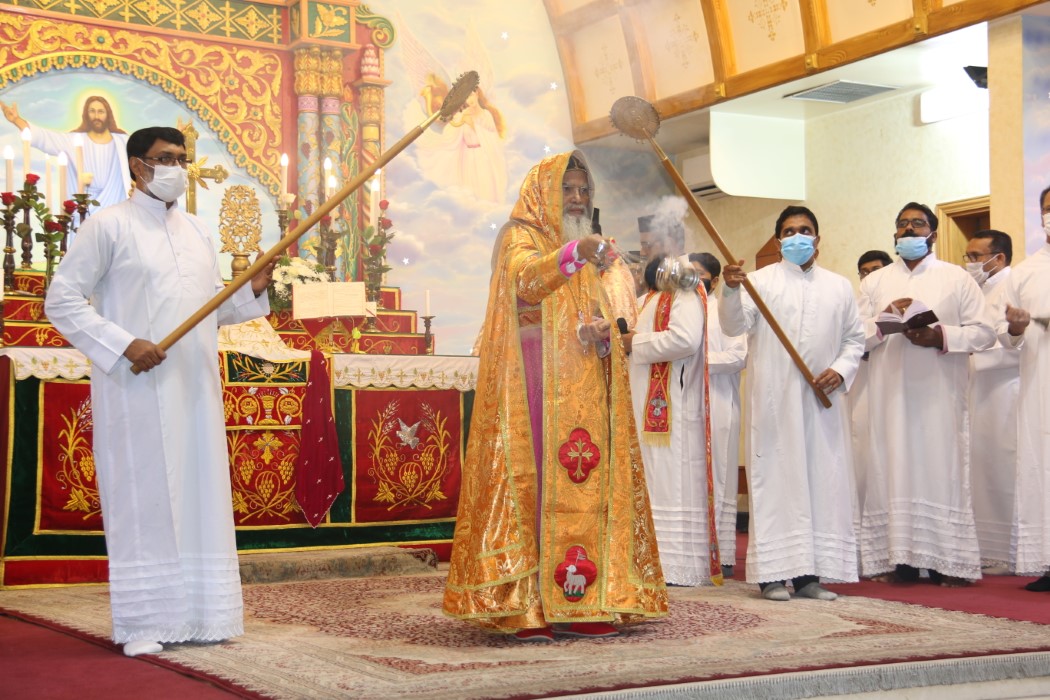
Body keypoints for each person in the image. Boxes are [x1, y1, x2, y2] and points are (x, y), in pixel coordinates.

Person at [43, 126, 274, 657]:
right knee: (144, 497)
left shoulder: (196, 230)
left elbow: (208, 309)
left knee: (199, 495)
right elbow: (63, 300)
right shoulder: (107, 226)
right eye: (165, 158)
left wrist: (252, 290)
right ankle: (144, 622)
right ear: (137, 165)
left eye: (181, 158)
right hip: (138, 388)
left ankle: (205, 615)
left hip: (194, 385)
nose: (176, 168)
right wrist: (124, 343)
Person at [443, 151, 667, 640]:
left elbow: (594, 313)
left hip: (581, 385)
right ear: (544, 191)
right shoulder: (520, 236)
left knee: (584, 490)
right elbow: (527, 281)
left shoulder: (585, 252)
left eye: (584, 190)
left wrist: (600, 331)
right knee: (536, 490)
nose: (578, 198)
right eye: (568, 189)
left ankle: (582, 600)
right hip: (531, 383)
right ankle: (525, 606)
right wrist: (575, 254)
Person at [720, 205, 863, 601]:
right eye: (788, 231)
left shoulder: (839, 286)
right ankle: (771, 576)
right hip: (775, 403)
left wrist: (841, 370)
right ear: (778, 239)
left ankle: (808, 577)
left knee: (820, 483)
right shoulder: (758, 281)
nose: (797, 236)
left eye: (804, 229)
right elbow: (733, 326)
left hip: (821, 403)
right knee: (777, 482)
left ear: (818, 238)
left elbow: (854, 339)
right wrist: (729, 290)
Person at [857, 202, 995, 587]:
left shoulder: (956, 278)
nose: (909, 229)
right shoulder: (874, 282)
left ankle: (944, 561)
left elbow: (985, 332)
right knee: (892, 467)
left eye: (917, 224)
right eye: (902, 224)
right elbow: (852, 336)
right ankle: (898, 559)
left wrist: (940, 336)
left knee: (940, 468)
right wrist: (883, 322)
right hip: (890, 395)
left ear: (933, 234)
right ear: (894, 234)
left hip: (939, 394)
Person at [621, 257, 717, 586]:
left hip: (671, 409)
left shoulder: (684, 294)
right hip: (641, 406)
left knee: (670, 484)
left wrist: (634, 342)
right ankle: (648, 561)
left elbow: (684, 340)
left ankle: (675, 565)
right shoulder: (646, 300)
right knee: (649, 482)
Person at [998, 186, 1050, 592]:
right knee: (1042, 469)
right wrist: (1015, 327)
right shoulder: (1025, 272)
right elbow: (1006, 334)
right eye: (1048, 209)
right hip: (1039, 386)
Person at [964, 230, 1018, 573]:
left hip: (1006, 388)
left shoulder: (1013, 285)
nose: (969, 263)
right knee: (981, 466)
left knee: (1004, 465)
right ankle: (986, 548)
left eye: (975, 257)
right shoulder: (979, 289)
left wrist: (971, 351)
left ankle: (1009, 551)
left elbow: (1017, 341)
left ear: (998, 258)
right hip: (978, 389)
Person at [689, 252, 746, 578]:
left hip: (720, 402)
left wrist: (696, 361)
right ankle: (692, 550)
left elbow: (738, 356)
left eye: (699, 274)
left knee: (720, 473)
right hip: (687, 404)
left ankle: (721, 552)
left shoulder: (724, 309)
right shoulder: (679, 310)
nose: (693, 281)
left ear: (713, 280)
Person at [2, 95, 131, 208]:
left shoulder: (123, 142)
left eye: (101, 111)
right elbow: (44, 137)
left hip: (116, 205)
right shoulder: (74, 141)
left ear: (108, 114)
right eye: (92, 111)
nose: (96, 116)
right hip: (84, 209)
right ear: (86, 114)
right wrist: (16, 120)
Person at [849, 250, 892, 554]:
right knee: (862, 459)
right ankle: (864, 542)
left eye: (875, 269)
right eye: (864, 272)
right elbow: (852, 337)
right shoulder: (855, 302)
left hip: (896, 391)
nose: (869, 276)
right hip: (862, 389)